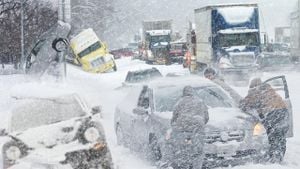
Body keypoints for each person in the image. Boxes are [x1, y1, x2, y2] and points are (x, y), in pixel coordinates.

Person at [239, 78, 289, 163]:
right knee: (280, 135)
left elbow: (246, 102)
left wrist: (241, 104)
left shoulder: (255, 91)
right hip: (283, 111)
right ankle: (279, 156)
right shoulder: (268, 89)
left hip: (273, 113)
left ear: (253, 86)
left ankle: (273, 157)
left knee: (272, 135)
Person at [162, 86, 208, 169]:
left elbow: (174, 118)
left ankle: (183, 165)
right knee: (198, 152)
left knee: (183, 151)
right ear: (193, 92)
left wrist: (175, 126)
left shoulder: (179, 102)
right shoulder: (200, 102)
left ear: (183, 93)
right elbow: (206, 117)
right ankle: (197, 167)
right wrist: (200, 125)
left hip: (182, 131)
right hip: (197, 131)